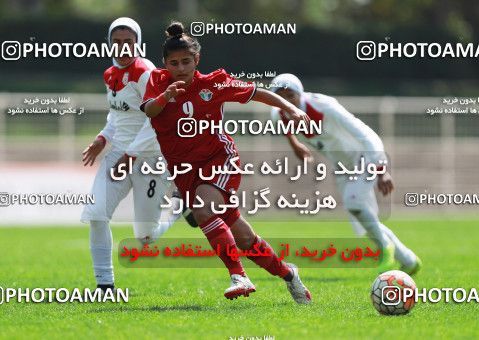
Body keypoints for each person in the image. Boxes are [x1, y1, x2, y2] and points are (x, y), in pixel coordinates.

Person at [141, 21, 312, 303]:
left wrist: (291, 108)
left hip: (220, 159)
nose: (180, 68)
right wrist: (166, 96)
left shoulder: (214, 83)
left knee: (203, 210)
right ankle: (289, 275)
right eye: (174, 63)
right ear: (165, 64)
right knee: (245, 239)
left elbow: (257, 92)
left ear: (197, 60)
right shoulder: (157, 82)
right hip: (185, 172)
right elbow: (149, 110)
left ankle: (239, 276)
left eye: (186, 61)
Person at [81, 17, 193, 292]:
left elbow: (156, 119)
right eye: (116, 43)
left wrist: (131, 155)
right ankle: (104, 286)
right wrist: (102, 138)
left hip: (149, 158)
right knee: (96, 214)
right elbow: (118, 115)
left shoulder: (146, 72)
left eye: (128, 43)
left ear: (137, 44)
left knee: (144, 238)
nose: (122, 48)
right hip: (119, 153)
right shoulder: (110, 74)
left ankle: (178, 209)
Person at [269, 73, 422, 275]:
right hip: (341, 167)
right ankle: (409, 260)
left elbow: (366, 134)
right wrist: (295, 144)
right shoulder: (278, 114)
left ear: (301, 93)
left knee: (354, 203)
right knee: (363, 223)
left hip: (364, 157)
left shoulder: (324, 106)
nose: (287, 101)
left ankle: (386, 248)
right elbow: (286, 127)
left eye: (291, 95)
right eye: (280, 96)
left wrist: (381, 169)